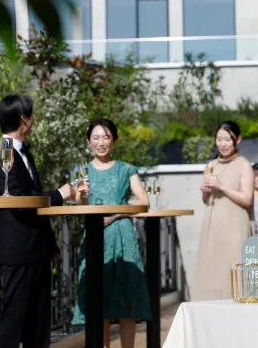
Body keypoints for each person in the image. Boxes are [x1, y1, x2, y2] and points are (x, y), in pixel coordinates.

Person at [0, 95, 75, 348]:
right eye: (31, 115)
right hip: (17, 252)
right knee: (13, 320)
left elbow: (36, 207)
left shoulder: (24, 153)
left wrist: (51, 246)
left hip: (36, 251)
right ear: (23, 120)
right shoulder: (3, 154)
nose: (34, 120)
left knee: (38, 322)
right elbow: (19, 200)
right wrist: (60, 194)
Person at [72, 118, 149, 348]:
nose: (101, 142)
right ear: (89, 142)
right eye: (96, 137)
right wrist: (82, 194)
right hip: (96, 237)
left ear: (114, 140)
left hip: (122, 235)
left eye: (106, 137)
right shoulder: (81, 171)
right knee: (99, 296)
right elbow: (79, 203)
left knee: (126, 298)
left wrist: (116, 214)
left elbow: (144, 201)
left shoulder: (126, 169)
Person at [191, 121, 254, 301]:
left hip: (235, 229)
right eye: (219, 139)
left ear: (238, 140)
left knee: (235, 276)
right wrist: (205, 191)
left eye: (227, 139)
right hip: (213, 230)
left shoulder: (244, 165)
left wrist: (222, 187)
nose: (223, 144)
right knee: (212, 277)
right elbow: (206, 200)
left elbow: (247, 199)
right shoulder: (211, 165)